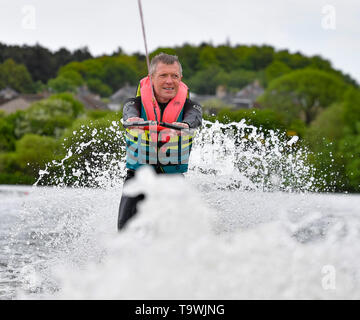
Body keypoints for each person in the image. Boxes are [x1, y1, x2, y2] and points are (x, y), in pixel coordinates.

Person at [118, 53, 202, 230]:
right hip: (138, 179)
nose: (169, 81)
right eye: (163, 75)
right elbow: (129, 111)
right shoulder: (134, 103)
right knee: (126, 233)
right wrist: (134, 121)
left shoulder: (191, 107)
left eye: (174, 76)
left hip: (173, 181)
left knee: (173, 236)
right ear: (151, 78)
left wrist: (185, 125)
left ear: (181, 79)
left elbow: (194, 117)